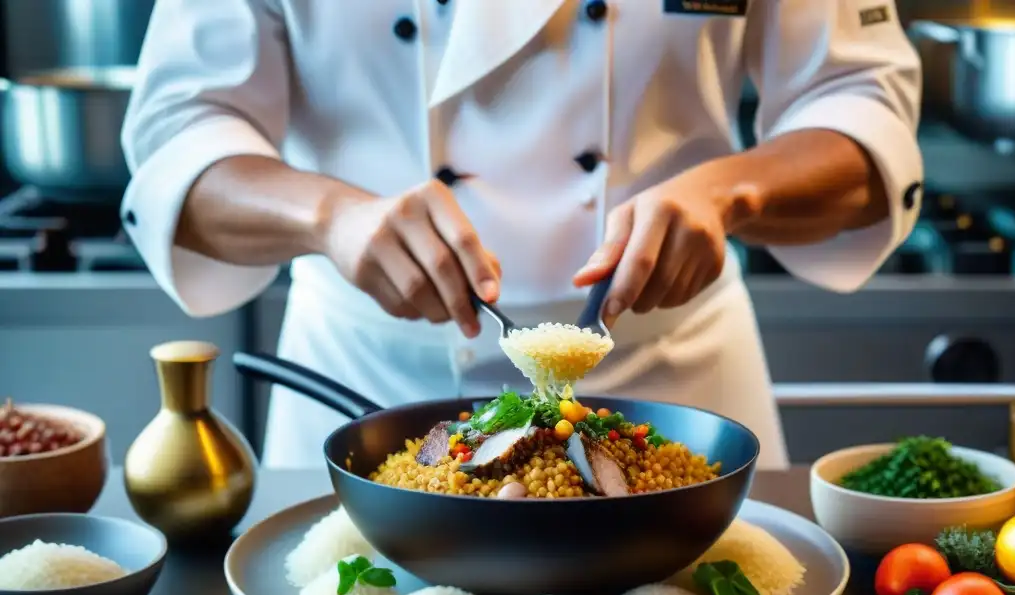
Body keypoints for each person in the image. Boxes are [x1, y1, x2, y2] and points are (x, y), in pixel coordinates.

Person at [121, 0, 923, 470]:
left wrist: (730, 193)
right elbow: (178, 144)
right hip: (373, 384)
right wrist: (332, 218)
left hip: (676, 390)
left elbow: (860, 105)